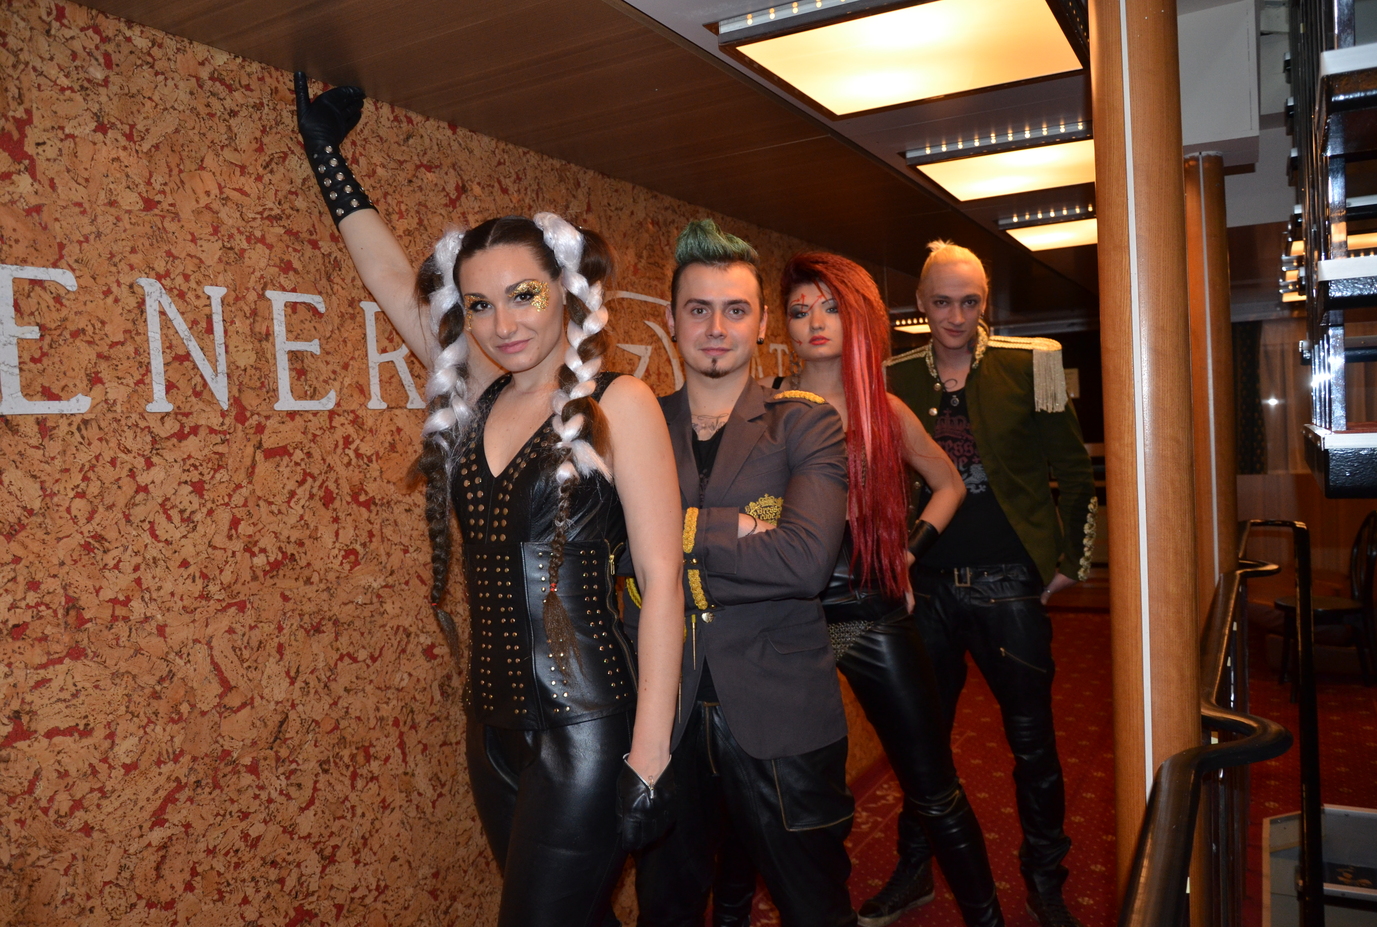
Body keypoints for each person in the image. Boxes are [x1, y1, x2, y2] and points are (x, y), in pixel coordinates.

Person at [293, 75, 686, 927]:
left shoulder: (620, 403)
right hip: (493, 731)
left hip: (589, 727)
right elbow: (393, 280)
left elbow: (661, 581)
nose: (502, 323)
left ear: (566, 290)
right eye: (479, 304)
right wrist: (326, 157)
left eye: (523, 295)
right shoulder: (476, 394)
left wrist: (651, 754)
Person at [708, 251, 1003, 927]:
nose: (815, 321)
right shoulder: (761, 406)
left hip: (868, 611)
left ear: (859, 316)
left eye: (831, 307)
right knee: (754, 789)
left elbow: (949, 484)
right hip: (783, 612)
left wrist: (907, 554)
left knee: (933, 786)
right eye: (800, 309)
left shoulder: (884, 410)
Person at [626, 220, 854, 927]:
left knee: (815, 906)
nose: (716, 328)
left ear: (761, 325)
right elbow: (611, 559)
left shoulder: (805, 424)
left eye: (735, 310)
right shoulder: (633, 424)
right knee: (667, 909)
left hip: (781, 712)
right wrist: (739, 531)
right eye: (698, 309)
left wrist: (674, 536)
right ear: (671, 320)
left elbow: (806, 561)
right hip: (663, 714)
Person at [885, 241, 1097, 927]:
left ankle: (1046, 880)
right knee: (921, 743)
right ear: (921, 304)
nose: (956, 316)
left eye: (969, 302)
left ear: (985, 303)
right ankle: (914, 868)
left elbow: (1075, 471)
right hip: (928, 590)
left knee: (1033, 746)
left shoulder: (1030, 363)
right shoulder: (893, 377)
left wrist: (1069, 562)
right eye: (942, 302)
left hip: (1010, 584)